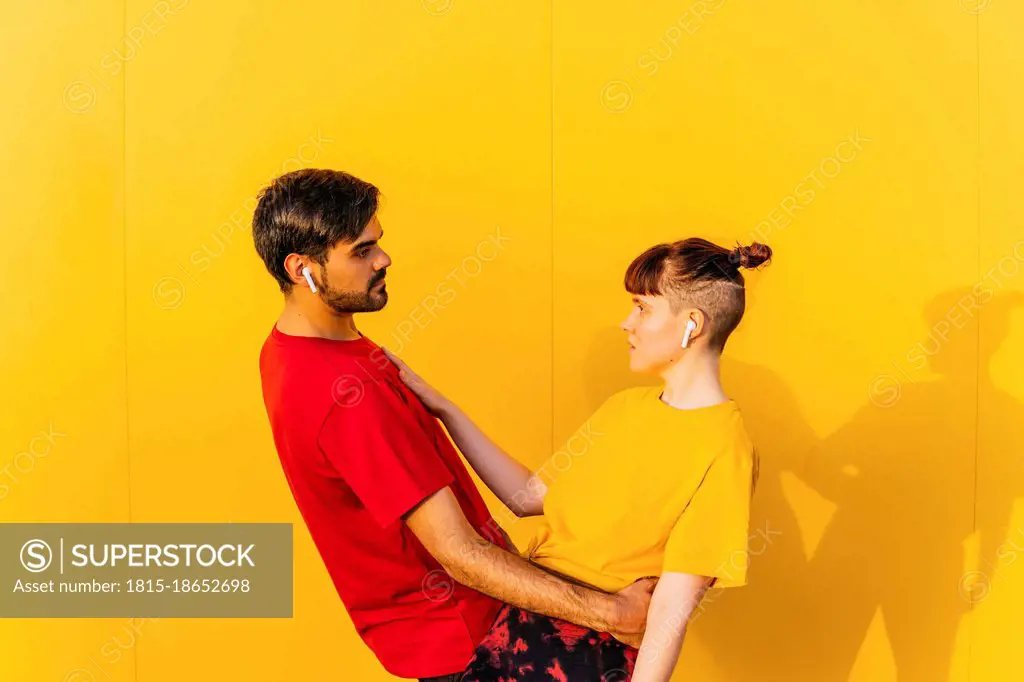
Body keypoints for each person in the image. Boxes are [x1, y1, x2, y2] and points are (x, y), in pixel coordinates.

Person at [251, 168, 654, 682]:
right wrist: (612, 613)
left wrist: (440, 408)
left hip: (454, 632)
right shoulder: (347, 395)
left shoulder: (289, 350)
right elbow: (460, 555)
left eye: (378, 243)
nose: (383, 259)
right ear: (302, 268)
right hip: (473, 643)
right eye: (361, 251)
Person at [384, 237, 770, 681]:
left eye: (642, 308)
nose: (627, 323)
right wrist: (445, 410)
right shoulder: (625, 408)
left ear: (692, 324)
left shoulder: (725, 446)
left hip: (585, 657)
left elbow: (671, 608)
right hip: (515, 624)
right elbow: (531, 497)